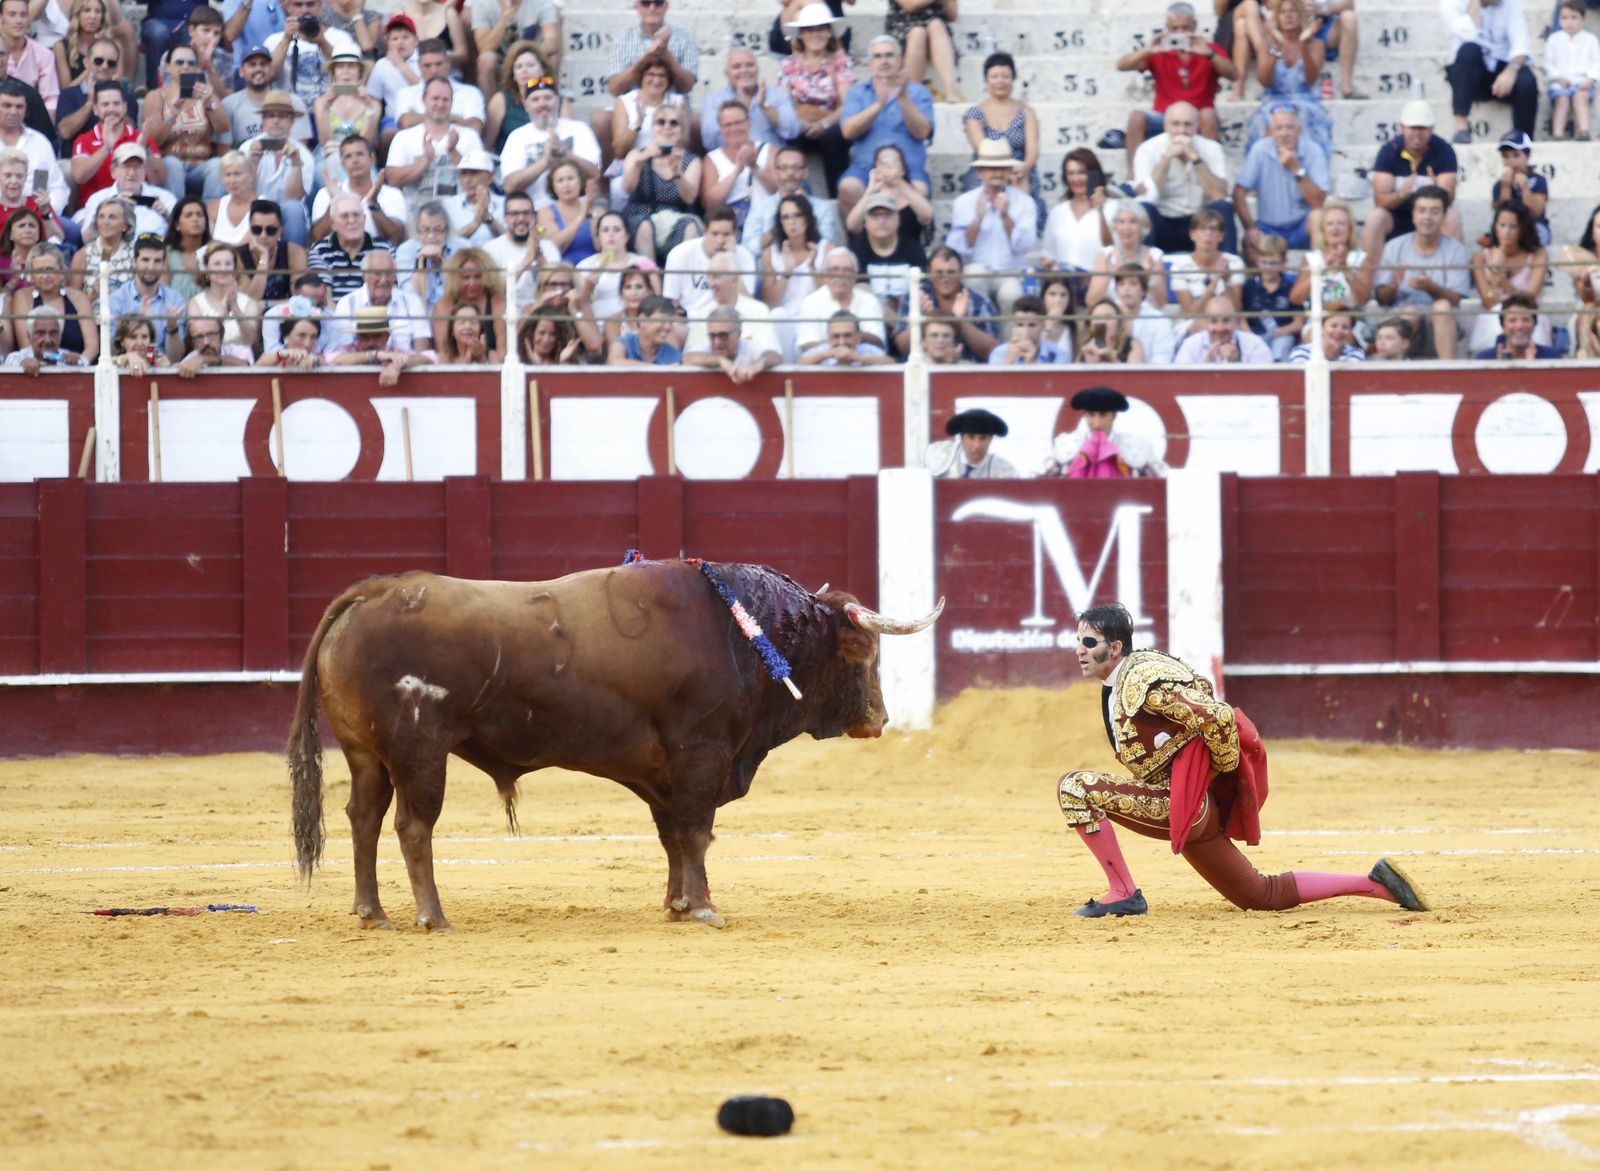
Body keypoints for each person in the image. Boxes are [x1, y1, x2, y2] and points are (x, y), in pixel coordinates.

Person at [1057, 601, 1429, 918]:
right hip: (1192, 806)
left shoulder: (1141, 683)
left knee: (1074, 788)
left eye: (1089, 642)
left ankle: (1123, 893)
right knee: (1259, 895)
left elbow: (1217, 716)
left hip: (1183, 804)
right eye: (1078, 641)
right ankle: (1376, 885)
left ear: (1116, 647)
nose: (1080, 650)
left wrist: (1219, 772)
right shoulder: (1132, 675)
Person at [1117, 3, 1236, 173]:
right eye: (1175, 28)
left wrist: (1209, 55)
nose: (1180, 32)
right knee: (1136, 117)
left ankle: (1213, 175)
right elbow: (1121, 66)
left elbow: (1234, 75)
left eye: (1185, 28)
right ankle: (1133, 177)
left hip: (1199, 117)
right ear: (1167, 28)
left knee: (1208, 115)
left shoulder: (1209, 50)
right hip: (1164, 117)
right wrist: (1148, 50)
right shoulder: (1159, 51)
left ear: (1195, 26)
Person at [837, 35, 933, 220]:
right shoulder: (857, 93)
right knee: (847, 187)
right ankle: (858, 244)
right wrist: (878, 106)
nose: (884, 61)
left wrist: (903, 99)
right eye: (878, 56)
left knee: (919, 190)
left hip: (909, 169)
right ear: (870, 63)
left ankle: (906, 245)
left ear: (900, 60)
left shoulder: (919, 92)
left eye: (889, 55)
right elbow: (847, 131)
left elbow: (922, 132)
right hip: (866, 168)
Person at [592, 0, 699, 166]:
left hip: (673, 106)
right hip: (632, 108)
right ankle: (607, 184)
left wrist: (665, 54)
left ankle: (688, 182)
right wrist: (645, 59)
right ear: (636, 6)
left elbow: (688, 85)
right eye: (646, 3)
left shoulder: (685, 37)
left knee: (697, 122)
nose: (652, 8)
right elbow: (614, 88)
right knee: (601, 120)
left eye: (658, 3)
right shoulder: (623, 38)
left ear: (666, 5)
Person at [1373, 185, 1472, 359]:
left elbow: (1455, 300)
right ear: (1414, 216)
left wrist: (1430, 287)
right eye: (1422, 210)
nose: (1427, 217)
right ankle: (1399, 371)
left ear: (1443, 216)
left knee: (1441, 307)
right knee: (1410, 312)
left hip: (1443, 323)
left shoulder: (1456, 251)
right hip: (1403, 319)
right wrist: (1394, 285)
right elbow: (1382, 298)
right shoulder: (1394, 247)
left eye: (1434, 211)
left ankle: (1448, 372)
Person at [944, 139, 1038, 315]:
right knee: (974, 276)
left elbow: (1025, 246)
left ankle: (1011, 342)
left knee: (1011, 294)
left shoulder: (1025, 202)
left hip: (1011, 271)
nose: (998, 173)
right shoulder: (964, 202)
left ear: (1010, 171)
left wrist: (1005, 217)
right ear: (980, 172)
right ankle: (981, 338)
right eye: (991, 168)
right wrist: (978, 219)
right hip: (977, 267)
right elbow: (956, 249)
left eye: (1003, 168)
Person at [1129, 100, 1236, 255]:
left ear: (1197, 126)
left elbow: (1219, 194)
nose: (1181, 130)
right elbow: (1146, 195)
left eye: (1187, 124)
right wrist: (1165, 159)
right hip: (1163, 221)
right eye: (1175, 124)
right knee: (1144, 209)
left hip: (1200, 222)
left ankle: (1229, 269)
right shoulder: (1148, 149)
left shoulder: (1211, 148)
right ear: (1165, 126)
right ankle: (1145, 270)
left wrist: (1195, 159)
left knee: (1224, 207)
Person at [1358, 101, 1461, 259]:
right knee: (1375, 218)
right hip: (1397, 215)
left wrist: (1434, 194)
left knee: (1452, 216)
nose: (1418, 133)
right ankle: (1369, 278)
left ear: (1432, 128)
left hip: (1430, 213)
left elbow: (1448, 198)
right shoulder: (1388, 152)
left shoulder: (1444, 151)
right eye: (1413, 128)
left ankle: (1452, 277)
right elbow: (1379, 200)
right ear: (1402, 127)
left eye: (1423, 128)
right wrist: (1402, 194)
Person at [1233, 104, 1327, 262]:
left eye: (1289, 128)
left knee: (1318, 217)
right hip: (1268, 227)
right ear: (1270, 131)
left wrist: (1296, 169)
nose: (1284, 133)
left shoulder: (1313, 151)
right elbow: (1239, 192)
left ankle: (1319, 275)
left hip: (1300, 226)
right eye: (1279, 128)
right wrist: (1250, 227)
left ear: (1298, 130)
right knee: (1249, 241)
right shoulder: (1260, 150)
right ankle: (1258, 285)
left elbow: (1318, 203)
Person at [777, 3, 854, 193]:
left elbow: (847, 104)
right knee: (789, 130)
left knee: (834, 136)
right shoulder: (788, 64)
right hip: (800, 122)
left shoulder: (841, 62)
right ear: (801, 34)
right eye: (809, 29)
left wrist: (824, 124)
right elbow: (783, 103)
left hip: (830, 122)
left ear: (829, 33)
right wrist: (801, 122)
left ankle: (837, 195)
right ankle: (796, 195)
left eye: (821, 28)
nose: (815, 34)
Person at [961, 52, 1042, 231]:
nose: (1000, 81)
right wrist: (1002, 170)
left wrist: (1024, 167)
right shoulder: (974, 113)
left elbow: (1033, 148)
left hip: (1020, 170)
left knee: (1022, 185)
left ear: (1013, 79)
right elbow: (981, 147)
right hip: (987, 168)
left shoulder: (1026, 111)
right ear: (986, 80)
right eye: (995, 76)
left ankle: (1019, 230)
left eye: (1006, 76)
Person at [1241, 0, 1333, 157]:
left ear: (1301, 16)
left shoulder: (1316, 44)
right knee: (1265, 120)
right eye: (1283, 12)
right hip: (1273, 101)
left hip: (1306, 101)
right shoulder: (1267, 45)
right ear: (1277, 18)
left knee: (1301, 117)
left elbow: (1310, 80)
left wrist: (1303, 45)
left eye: (1293, 11)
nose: (1288, 16)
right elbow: (1264, 80)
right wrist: (1278, 49)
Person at [617, 98, 701, 263]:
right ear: (654, 127)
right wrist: (642, 159)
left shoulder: (691, 160)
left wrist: (677, 173)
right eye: (661, 122)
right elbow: (627, 187)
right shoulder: (637, 154)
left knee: (690, 226)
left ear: (681, 129)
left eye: (673, 123)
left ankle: (676, 279)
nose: (667, 127)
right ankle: (651, 278)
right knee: (644, 226)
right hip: (640, 215)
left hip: (674, 217)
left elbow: (690, 197)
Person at [141, 41, 228, 201]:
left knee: (217, 165)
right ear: (168, 67)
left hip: (201, 165)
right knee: (172, 165)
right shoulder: (156, 96)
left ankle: (212, 215)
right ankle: (175, 214)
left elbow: (223, 127)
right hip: (170, 163)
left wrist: (209, 100)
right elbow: (153, 139)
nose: (186, 66)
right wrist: (171, 116)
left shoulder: (204, 93)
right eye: (179, 62)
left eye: (191, 63)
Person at [502, 75, 602, 210]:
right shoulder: (517, 137)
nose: (542, 103)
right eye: (535, 99)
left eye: (547, 98)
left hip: (578, 209)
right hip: (534, 212)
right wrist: (544, 162)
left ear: (557, 101)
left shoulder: (579, 129)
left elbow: (595, 174)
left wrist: (564, 153)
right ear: (526, 105)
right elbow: (510, 186)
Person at [1442, 0, 1537, 143]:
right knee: (1468, 51)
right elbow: (1468, 34)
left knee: (1527, 80)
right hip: (1469, 76)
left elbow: (1521, 45)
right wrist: (1476, 4)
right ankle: (1461, 127)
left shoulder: (1511, 4)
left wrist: (1510, 71)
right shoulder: (1453, 4)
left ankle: (1523, 139)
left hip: (1501, 70)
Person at [385, 76, 482, 210]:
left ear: (452, 102)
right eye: (435, 99)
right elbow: (393, 179)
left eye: (445, 100)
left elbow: (481, 181)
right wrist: (425, 160)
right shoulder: (403, 137)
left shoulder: (470, 136)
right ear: (423, 100)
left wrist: (453, 152)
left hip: (460, 214)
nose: (440, 105)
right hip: (417, 216)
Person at [1468, 200, 1549, 354]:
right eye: (1502, 225)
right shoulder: (1481, 258)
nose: (1507, 232)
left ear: (1523, 229)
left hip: (1528, 314)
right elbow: (1489, 299)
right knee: (1495, 319)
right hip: (1495, 314)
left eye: (1513, 226)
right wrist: (1494, 279)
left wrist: (1505, 283)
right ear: (1495, 227)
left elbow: (1529, 299)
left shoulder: (1537, 255)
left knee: (1524, 319)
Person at [893, 245, 999, 360]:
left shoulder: (980, 301)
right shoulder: (914, 297)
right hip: (923, 369)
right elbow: (901, 348)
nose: (945, 278)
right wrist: (922, 319)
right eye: (939, 273)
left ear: (961, 273)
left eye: (951, 272)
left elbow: (992, 352)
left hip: (967, 371)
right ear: (928, 272)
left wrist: (960, 322)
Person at [1041, 386, 1168, 478]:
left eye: (1103, 415)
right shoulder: (1067, 445)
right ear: (1085, 415)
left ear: (1113, 416)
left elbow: (1164, 480)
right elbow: (1041, 481)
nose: (1096, 422)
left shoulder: (1136, 447)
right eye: (1091, 415)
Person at [239, 90, 312, 245]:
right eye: (271, 116)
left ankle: (293, 264)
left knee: (294, 208)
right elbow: (240, 194)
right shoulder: (247, 149)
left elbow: (296, 198)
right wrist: (253, 163)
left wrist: (295, 163)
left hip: (286, 213)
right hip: (253, 209)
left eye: (282, 116)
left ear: (292, 120)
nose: (276, 121)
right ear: (263, 120)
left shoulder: (303, 154)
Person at [742, 145, 843, 254]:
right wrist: (777, 228)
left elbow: (827, 247)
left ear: (806, 172)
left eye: (795, 167)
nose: (790, 173)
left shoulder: (823, 208)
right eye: (784, 168)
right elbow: (748, 249)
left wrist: (805, 214)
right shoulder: (760, 208)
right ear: (775, 172)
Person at [700, 46, 799, 155]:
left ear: (757, 69)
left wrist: (766, 107)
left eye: (750, 65)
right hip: (732, 161)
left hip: (771, 162)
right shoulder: (714, 101)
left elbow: (792, 132)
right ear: (726, 74)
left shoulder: (777, 95)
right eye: (736, 67)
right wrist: (739, 109)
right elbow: (710, 142)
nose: (744, 70)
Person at [310, 135, 407, 245]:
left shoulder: (392, 194)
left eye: (359, 154)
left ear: (372, 159)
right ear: (342, 163)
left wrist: (373, 204)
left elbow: (396, 239)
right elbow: (316, 238)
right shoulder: (325, 194)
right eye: (348, 156)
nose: (355, 160)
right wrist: (336, 200)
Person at [661, 207, 756, 319]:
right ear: (705, 232)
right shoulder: (679, 255)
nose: (720, 241)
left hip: (730, 322)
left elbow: (748, 304)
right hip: (690, 321)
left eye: (726, 234)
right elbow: (671, 302)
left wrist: (731, 260)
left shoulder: (744, 256)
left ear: (735, 234)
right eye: (715, 234)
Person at [267, 0, 361, 111]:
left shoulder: (341, 37)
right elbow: (269, 76)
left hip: (331, 111)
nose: (305, 10)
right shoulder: (274, 40)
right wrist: (286, 39)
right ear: (288, 7)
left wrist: (322, 42)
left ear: (320, 6)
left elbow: (351, 73)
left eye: (310, 4)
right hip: (288, 113)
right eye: (298, 4)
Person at [8, 243, 96, 361]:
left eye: (50, 269)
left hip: (75, 371)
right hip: (36, 369)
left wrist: (79, 363)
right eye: (39, 271)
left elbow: (92, 346)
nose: (45, 276)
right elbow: (26, 344)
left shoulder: (79, 298)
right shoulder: (22, 297)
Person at [700, 100, 778, 232]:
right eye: (728, 125)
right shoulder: (712, 158)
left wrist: (754, 167)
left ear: (748, 122)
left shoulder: (769, 149)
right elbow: (709, 204)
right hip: (732, 226)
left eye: (738, 122)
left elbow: (779, 189)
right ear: (721, 128)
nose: (734, 129)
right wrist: (737, 171)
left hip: (768, 220)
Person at [793, 246, 887, 355]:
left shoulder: (870, 301)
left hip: (863, 365)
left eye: (846, 270)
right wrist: (842, 343)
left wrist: (848, 338)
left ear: (855, 275)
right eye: (834, 269)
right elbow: (806, 344)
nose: (840, 275)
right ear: (825, 274)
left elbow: (879, 342)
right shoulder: (810, 302)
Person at [106, 232, 188, 356]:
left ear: (163, 264)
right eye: (145, 260)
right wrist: (141, 324)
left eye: (157, 261)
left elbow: (175, 359)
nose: (151, 267)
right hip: (127, 370)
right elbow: (111, 352)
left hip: (162, 372)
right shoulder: (116, 300)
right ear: (134, 261)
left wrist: (172, 328)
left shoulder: (175, 300)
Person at [224, 45, 315, 155]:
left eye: (263, 64)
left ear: (271, 70)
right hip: (244, 165)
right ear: (241, 72)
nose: (258, 69)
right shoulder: (228, 104)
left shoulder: (292, 101)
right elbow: (223, 152)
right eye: (252, 65)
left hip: (285, 161)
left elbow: (301, 148)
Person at [75, 140, 175, 239]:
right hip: (111, 252)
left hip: (155, 251)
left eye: (137, 167)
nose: (131, 173)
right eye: (126, 167)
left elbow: (183, 238)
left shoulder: (164, 197)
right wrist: (109, 210)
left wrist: (167, 216)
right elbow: (87, 239)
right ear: (113, 171)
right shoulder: (99, 199)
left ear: (145, 171)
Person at [1289, 197, 1373, 316]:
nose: (1335, 228)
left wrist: (1345, 270)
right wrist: (1320, 269)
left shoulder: (1361, 259)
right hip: (1317, 321)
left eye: (1341, 223)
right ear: (1323, 230)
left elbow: (1363, 299)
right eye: (1330, 224)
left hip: (1351, 320)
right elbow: (1296, 299)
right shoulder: (1311, 259)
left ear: (1350, 229)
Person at [1041, 148, 1114, 280]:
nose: (1076, 179)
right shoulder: (1058, 211)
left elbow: (1111, 246)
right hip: (1065, 288)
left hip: (1099, 284)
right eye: (1071, 173)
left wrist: (1100, 211)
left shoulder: (1113, 208)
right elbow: (1049, 254)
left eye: (1082, 173)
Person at [850, 189, 926, 311]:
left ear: (898, 219)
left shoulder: (914, 249)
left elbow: (921, 291)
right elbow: (861, 296)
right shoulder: (856, 251)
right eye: (875, 215)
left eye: (887, 215)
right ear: (865, 222)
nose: (881, 221)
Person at [53, 33, 133, 150]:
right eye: (98, 61)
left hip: (117, 161)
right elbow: (65, 132)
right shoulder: (69, 94)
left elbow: (132, 131)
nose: (104, 66)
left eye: (111, 63)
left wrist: (115, 105)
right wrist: (90, 103)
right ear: (86, 62)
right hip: (76, 162)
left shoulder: (125, 96)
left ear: (116, 68)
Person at [841, 142, 933, 241]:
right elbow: (852, 226)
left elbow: (927, 216)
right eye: (883, 162)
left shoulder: (912, 193)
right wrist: (870, 191)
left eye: (894, 161)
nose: (889, 165)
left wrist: (899, 182)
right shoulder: (871, 193)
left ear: (903, 167)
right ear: (876, 167)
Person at [470, 0, 561, 100]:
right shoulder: (482, 4)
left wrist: (523, 55)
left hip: (531, 57)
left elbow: (553, 42)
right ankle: (491, 110)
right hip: (500, 62)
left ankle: (549, 102)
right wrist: (505, 15)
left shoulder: (542, 3)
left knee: (552, 57)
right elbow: (484, 47)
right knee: (486, 59)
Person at [393, 38, 484, 138]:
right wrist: (456, 119)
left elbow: (475, 127)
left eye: (439, 64)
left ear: (448, 63)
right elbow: (406, 122)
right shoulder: (406, 93)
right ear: (419, 66)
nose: (434, 70)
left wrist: (422, 118)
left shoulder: (471, 93)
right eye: (427, 65)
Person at [484, 188, 559, 308]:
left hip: (543, 312)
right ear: (505, 218)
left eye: (526, 213)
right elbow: (493, 292)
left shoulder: (548, 247)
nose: (521, 219)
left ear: (534, 217)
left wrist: (538, 255)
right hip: (505, 313)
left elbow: (557, 287)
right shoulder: (490, 249)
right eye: (514, 214)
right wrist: (527, 260)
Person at [1086, 202, 1169, 309]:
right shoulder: (1105, 255)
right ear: (1115, 226)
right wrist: (1109, 275)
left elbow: (1161, 304)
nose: (1127, 227)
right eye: (1121, 222)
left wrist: (1148, 278)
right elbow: (1091, 302)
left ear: (1143, 226)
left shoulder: (1154, 255)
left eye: (1133, 221)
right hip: (1114, 316)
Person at [311, 47, 381, 174]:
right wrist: (327, 107)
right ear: (334, 72)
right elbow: (325, 140)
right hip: (328, 154)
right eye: (340, 67)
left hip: (360, 156)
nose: (345, 71)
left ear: (359, 72)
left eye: (351, 66)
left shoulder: (373, 104)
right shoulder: (321, 102)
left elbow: (367, 141)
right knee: (334, 162)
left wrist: (368, 107)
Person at [307, 192, 390, 297]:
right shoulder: (320, 250)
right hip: (335, 311)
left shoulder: (384, 249)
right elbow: (325, 299)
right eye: (344, 216)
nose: (351, 221)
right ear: (333, 224)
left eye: (356, 215)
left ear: (364, 219)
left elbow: (391, 291)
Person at [609, 49, 685, 163]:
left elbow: (684, 143)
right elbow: (619, 150)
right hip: (632, 163)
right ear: (641, 77)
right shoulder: (625, 101)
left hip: (666, 163)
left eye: (662, 76)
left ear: (669, 79)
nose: (656, 81)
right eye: (651, 74)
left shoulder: (677, 102)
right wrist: (637, 125)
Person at [187, 240, 262, 355]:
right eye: (217, 264)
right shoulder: (195, 303)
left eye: (228, 264)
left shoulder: (249, 303)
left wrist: (235, 308)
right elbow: (195, 339)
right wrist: (222, 315)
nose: (223, 268)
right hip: (207, 362)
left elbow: (251, 340)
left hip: (241, 363)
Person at [1167, 207, 1245, 316]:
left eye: (1213, 229)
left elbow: (1236, 310)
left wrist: (1227, 281)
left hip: (1227, 321)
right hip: (1194, 323)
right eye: (1202, 228)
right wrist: (1213, 283)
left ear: (1221, 235)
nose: (1208, 233)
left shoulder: (1234, 262)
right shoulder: (1180, 266)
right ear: (1192, 234)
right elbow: (1190, 314)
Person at [329, 304, 433, 385]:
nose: (371, 342)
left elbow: (430, 357)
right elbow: (333, 359)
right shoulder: (349, 350)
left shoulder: (393, 352)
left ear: (387, 336)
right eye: (365, 337)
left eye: (377, 337)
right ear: (358, 336)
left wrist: (397, 364)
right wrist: (375, 354)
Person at [430, 246, 506, 358]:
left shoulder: (497, 303)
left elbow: (503, 351)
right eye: (466, 277)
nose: (472, 283)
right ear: (455, 278)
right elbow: (443, 352)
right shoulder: (443, 305)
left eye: (477, 277)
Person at [683, 304, 781, 383]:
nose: (717, 342)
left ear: (738, 334)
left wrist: (756, 366)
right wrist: (720, 360)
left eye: (723, 335)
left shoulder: (748, 347)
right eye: (712, 336)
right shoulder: (708, 349)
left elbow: (775, 356)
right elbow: (687, 358)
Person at [1545, 0, 1600, 140]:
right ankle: (1558, 134)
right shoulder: (1553, 39)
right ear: (1559, 19)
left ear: (1583, 19)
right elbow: (1547, 64)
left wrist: (1590, 79)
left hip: (1582, 82)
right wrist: (1557, 77)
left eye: (1574, 17)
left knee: (1580, 98)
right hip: (1560, 82)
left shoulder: (1590, 40)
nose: (1569, 22)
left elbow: (1596, 62)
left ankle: (1584, 132)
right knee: (1562, 100)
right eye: (1564, 18)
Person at [1240, 234, 1301, 360]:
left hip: (1281, 336)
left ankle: (1278, 373)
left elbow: (1298, 322)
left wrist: (1278, 332)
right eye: (1264, 262)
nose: (1268, 267)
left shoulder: (1291, 288)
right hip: (1255, 336)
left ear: (1284, 263)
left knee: (1281, 344)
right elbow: (1241, 319)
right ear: (1257, 261)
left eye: (1274, 263)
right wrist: (1251, 336)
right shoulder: (1249, 287)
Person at [487, 39, 553, 154]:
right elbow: (487, 144)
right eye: (519, 67)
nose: (524, 70)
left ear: (542, 70)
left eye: (530, 65)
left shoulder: (557, 100)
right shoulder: (500, 100)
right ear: (513, 74)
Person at [236, 199, 308, 305]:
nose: (263, 236)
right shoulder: (238, 256)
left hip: (285, 315)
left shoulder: (295, 252)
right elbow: (248, 301)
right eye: (257, 229)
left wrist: (267, 304)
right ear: (250, 230)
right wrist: (263, 259)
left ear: (280, 231)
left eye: (271, 230)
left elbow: (300, 300)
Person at [394, 200, 464, 306]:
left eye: (437, 230)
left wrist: (442, 264)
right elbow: (411, 294)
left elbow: (462, 291)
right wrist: (419, 261)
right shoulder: (406, 250)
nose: (431, 236)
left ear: (446, 230)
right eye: (425, 230)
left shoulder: (462, 248)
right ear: (417, 229)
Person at [884, 0, 958, 101]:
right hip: (903, 26)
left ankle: (951, 92)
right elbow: (909, 6)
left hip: (936, 30)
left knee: (936, 25)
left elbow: (952, 16)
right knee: (918, 33)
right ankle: (911, 94)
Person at [1488, 130, 1550, 247]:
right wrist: (1505, 187)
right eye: (1506, 156)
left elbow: (1536, 212)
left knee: (1539, 235)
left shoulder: (1538, 180)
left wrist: (1525, 189)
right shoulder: (1499, 185)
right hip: (1508, 227)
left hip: (1534, 225)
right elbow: (1501, 215)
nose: (1511, 161)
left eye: (1516, 155)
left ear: (1527, 156)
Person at [536, 157, 599, 264]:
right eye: (560, 180)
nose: (566, 185)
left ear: (580, 181)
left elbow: (601, 247)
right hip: (562, 273)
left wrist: (591, 215)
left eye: (570, 178)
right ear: (553, 186)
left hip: (592, 270)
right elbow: (553, 247)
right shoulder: (545, 213)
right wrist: (582, 214)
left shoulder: (597, 211)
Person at [1173, 294, 1273, 362]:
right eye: (1214, 321)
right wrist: (1205, 368)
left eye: (1226, 321)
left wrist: (1237, 364)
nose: (1220, 328)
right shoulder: (1191, 345)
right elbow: (1179, 384)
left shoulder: (1254, 344)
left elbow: (1265, 384)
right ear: (1206, 322)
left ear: (1235, 321)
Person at [923, 407, 1016, 478]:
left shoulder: (1003, 470)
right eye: (971, 437)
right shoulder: (938, 456)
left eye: (983, 438)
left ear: (990, 440)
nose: (977, 445)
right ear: (961, 438)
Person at [69, 194, 134, 294]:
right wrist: (94, 294)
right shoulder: (83, 255)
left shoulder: (136, 254)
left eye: (112, 217)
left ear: (125, 225)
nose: (105, 222)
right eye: (101, 217)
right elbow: (73, 301)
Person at [1, 0, 58, 113]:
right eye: (12, 15)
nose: (18, 21)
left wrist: (44, 127)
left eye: (23, 15)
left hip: (33, 118)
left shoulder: (44, 54)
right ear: (1, 19)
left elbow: (51, 99)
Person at [1475, 290, 1563, 359]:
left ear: (1534, 324)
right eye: (1512, 320)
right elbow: (1488, 295)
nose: (1520, 326)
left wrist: (1533, 367)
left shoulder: (1551, 357)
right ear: (1503, 325)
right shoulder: (1485, 358)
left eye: (1526, 320)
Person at [986, 294, 1069, 364]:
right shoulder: (999, 353)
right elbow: (996, 383)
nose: (1026, 331)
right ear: (1013, 325)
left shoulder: (1058, 354)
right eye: (1020, 325)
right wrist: (1009, 360)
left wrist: (1031, 363)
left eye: (1032, 325)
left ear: (1043, 326)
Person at [796, 309, 895, 365]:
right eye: (836, 336)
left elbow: (891, 363)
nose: (841, 342)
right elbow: (799, 364)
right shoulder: (823, 350)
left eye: (847, 335)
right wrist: (826, 355)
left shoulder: (866, 350)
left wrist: (859, 358)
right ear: (828, 338)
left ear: (858, 338)